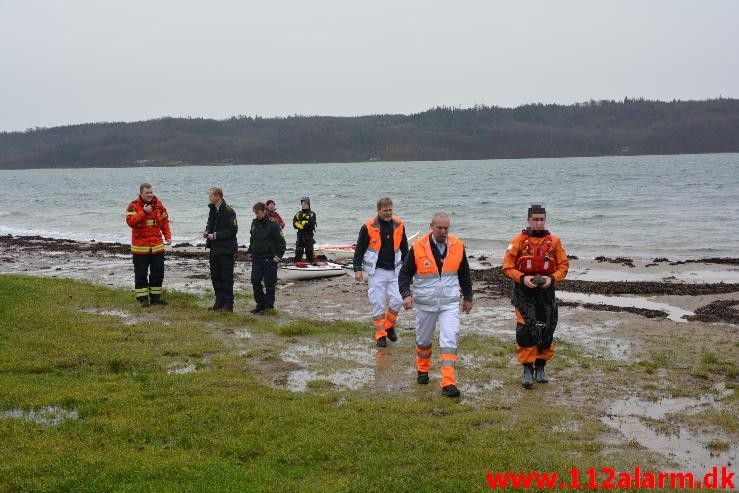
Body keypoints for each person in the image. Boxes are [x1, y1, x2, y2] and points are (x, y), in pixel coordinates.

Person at [398, 212, 473, 397]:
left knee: (449, 339)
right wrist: (406, 295)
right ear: (431, 226)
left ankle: (448, 382)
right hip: (425, 305)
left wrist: (468, 298)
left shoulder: (458, 246)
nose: (443, 231)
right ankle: (422, 370)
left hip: (449, 304)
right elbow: (404, 275)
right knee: (424, 341)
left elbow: (464, 274)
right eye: (439, 228)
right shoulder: (417, 247)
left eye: (446, 228)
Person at [501, 204, 569, 389]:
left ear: (545, 220)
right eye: (535, 219)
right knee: (525, 331)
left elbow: (563, 265)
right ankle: (526, 369)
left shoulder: (554, 242)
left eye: (542, 219)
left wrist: (551, 278)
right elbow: (507, 267)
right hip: (524, 293)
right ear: (529, 220)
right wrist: (523, 278)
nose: (538, 223)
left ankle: (541, 367)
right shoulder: (517, 242)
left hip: (546, 293)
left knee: (546, 329)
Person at [353, 197, 408, 347]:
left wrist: (409, 268)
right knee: (378, 302)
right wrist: (357, 269)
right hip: (376, 271)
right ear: (378, 210)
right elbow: (359, 249)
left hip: (395, 270)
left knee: (398, 300)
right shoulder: (368, 226)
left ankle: (389, 326)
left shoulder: (399, 225)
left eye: (390, 210)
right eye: (385, 210)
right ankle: (380, 335)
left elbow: (404, 248)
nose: (389, 213)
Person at [125, 182, 172, 307]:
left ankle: (155, 298)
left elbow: (165, 221)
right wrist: (144, 212)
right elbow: (131, 222)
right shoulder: (133, 206)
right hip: (140, 248)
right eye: (147, 193)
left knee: (158, 273)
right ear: (140, 193)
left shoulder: (158, 205)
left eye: (151, 192)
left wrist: (168, 236)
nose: (150, 195)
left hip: (157, 247)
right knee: (141, 274)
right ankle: (142, 299)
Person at [246, 202, 286, 314]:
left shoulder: (273, 224)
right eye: (255, 213)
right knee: (255, 280)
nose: (256, 215)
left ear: (264, 211)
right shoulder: (254, 222)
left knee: (269, 283)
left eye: (258, 213)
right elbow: (252, 239)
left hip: (269, 259)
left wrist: (277, 257)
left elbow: (281, 243)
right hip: (257, 258)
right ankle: (260, 304)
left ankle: (268, 307)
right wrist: (250, 251)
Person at [204, 187, 238, 312]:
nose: (210, 197)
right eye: (209, 195)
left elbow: (232, 231)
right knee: (215, 276)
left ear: (218, 196)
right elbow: (210, 223)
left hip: (226, 249)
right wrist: (207, 232)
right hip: (214, 248)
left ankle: (228, 305)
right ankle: (219, 302)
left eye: (211, 195)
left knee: (226, 277)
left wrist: (216, 235)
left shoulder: (228, 211)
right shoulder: (212, 208)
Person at [292, 196, 316, 263]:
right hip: (300, 236)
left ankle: (311, 264)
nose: (304, 205)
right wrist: (303, 224)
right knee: (299, 252)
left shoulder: (312, 214)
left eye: (305, 203)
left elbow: (310, 224)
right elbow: (294, 224)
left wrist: (300, 223)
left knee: (309, 252)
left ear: (308, 204)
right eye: (302, 203)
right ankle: (296, 264)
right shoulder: (298, 214)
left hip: (309, 236)